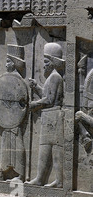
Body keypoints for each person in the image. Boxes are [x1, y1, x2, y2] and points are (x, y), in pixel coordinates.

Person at [27, 43, 65, 188]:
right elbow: (46, 94)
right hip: (49, 116)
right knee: (44, 149)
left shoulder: (55, 77)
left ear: (53, 62)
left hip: (54, 116)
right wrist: (36, 87)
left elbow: (49, 100)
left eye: (46, 62)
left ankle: (59, 181)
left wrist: (35, 104)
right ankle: (40, 178)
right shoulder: (52, 78)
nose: (44, 66)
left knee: (55, 149)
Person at [0, 45, 28, 182]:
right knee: (5, 145)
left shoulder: (18, 80)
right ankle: (3, 171)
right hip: (6, 118)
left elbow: (20, 101)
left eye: (8, 61)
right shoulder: (5, 79)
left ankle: (20, 174)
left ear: (13, 63)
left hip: (14, 119)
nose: (6, 64)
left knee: (17, 144)